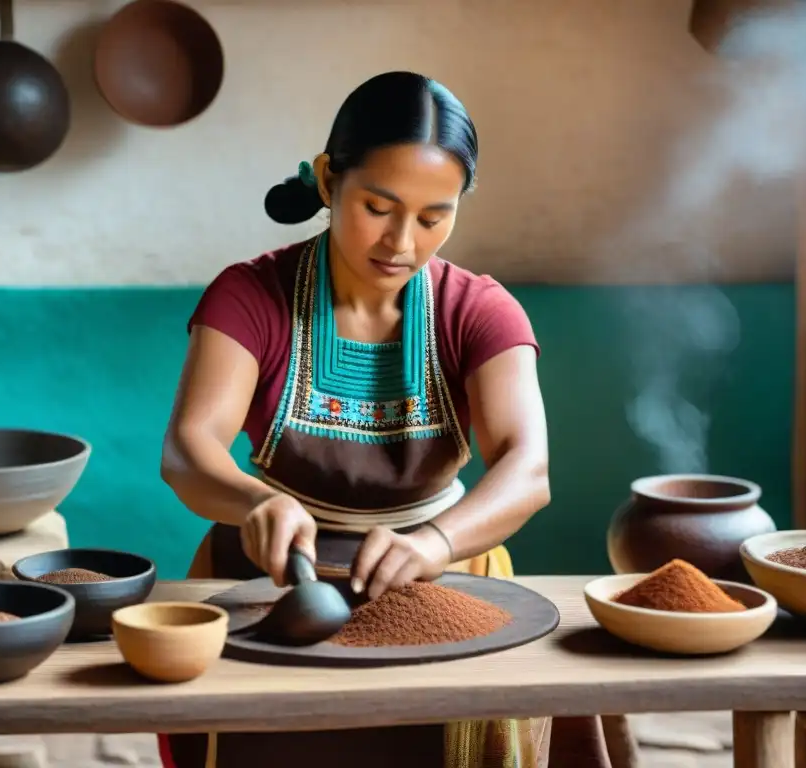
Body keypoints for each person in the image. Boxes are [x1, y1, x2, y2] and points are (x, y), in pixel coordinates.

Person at [159, 70, 585, 768]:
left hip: (441, 580)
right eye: (378, 207)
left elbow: (527, 468)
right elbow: (188, 449)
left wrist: (437, 542)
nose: (402, 242)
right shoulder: (250, 296)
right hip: (272, 584)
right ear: (330, 180)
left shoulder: (479, 311)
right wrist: (255, 502)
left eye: (433, 217)